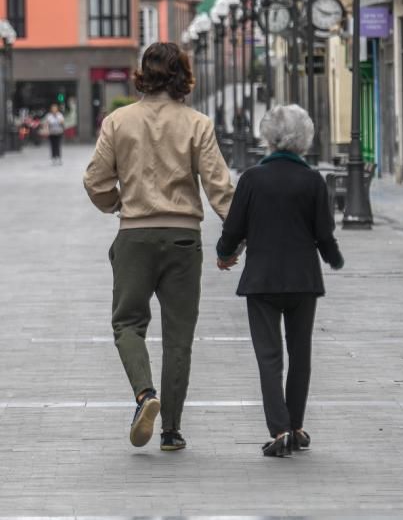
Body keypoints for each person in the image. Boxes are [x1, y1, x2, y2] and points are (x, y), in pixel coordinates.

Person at [83, 42, 234, 451]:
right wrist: (235, 237)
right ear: (182, 75)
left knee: (127, 323)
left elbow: (95, 181)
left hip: (135, 235)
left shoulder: (118, 122)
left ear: (142, 75)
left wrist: (119, 203)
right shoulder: (197, 123)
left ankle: (144, 395)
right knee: (178, 337)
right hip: (184, 237)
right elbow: (220, 187)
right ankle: (172, 431)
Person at [216, 104, 344, 458]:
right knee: (300, 355)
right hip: (303, 280)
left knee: (269, 357)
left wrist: (225, 254)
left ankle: (280, 429)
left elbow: (234, 228)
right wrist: (334, 260)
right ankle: (297, 424)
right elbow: (324, 234)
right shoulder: (313, 180)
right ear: (304, 138)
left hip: (262, 281)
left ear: (268, 137)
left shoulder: (253, 179)